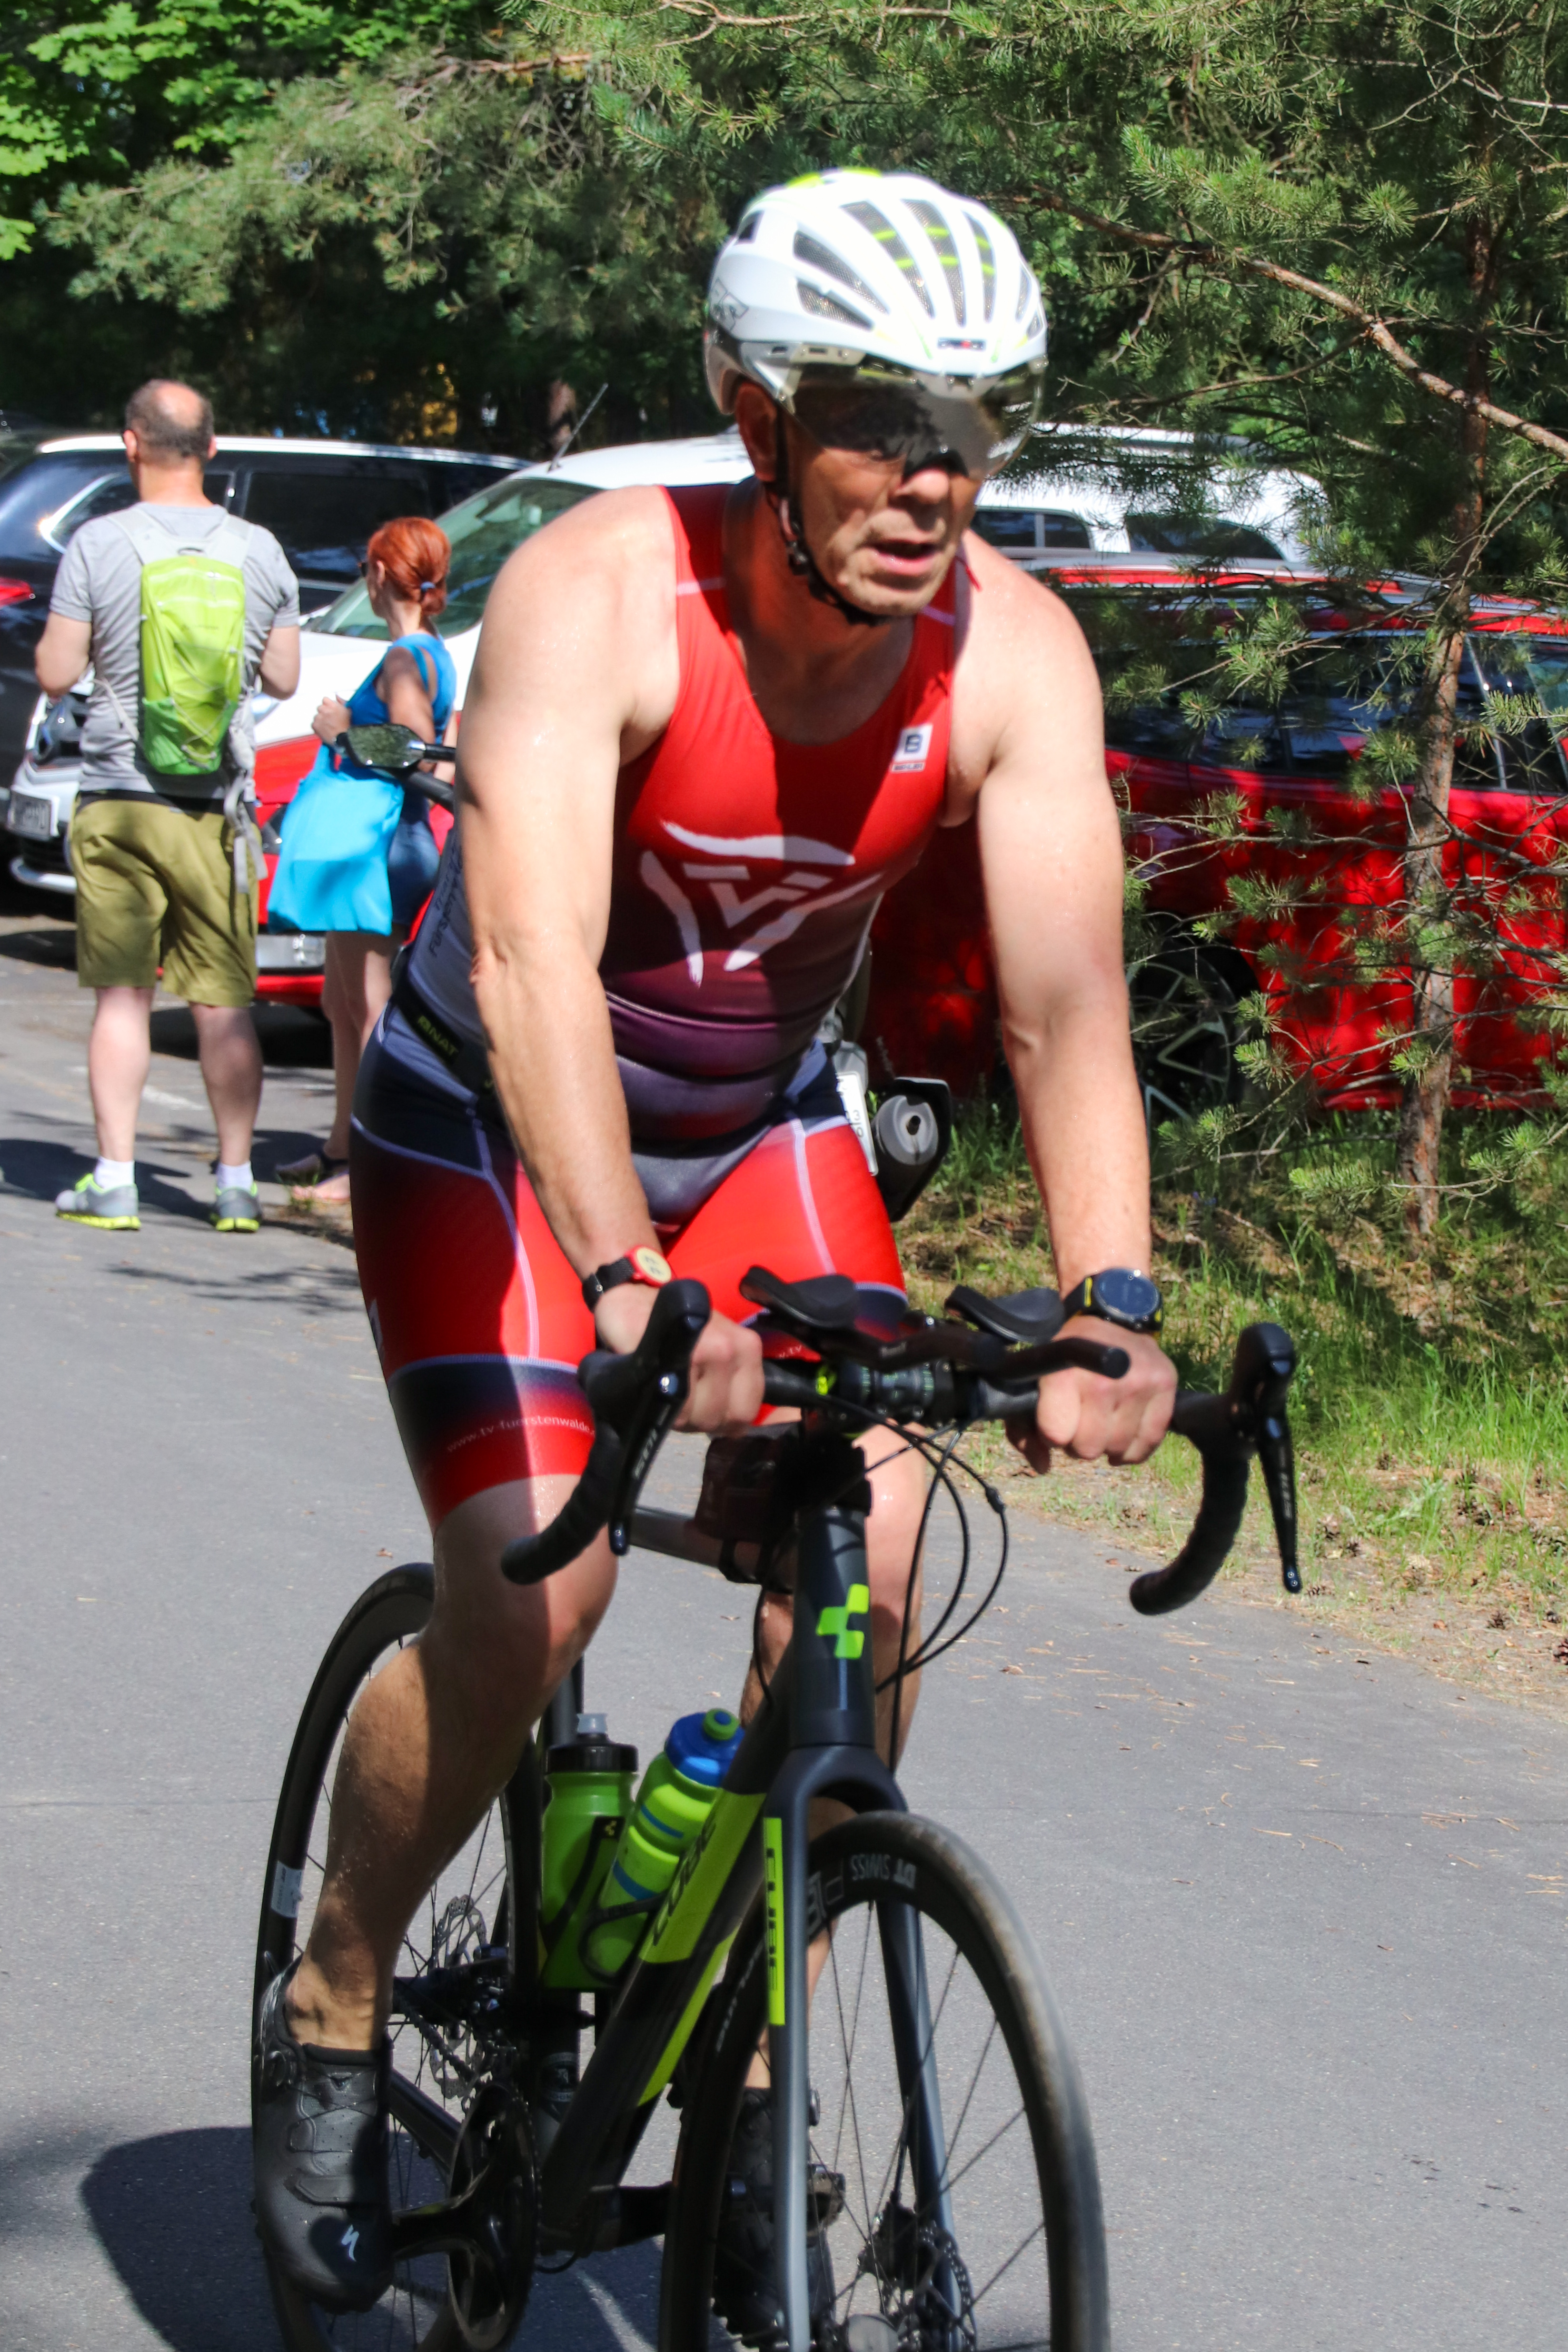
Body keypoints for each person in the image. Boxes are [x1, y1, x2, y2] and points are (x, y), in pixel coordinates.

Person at [253, 170, 1178, 2319]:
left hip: (754, 1129)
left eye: (974, 426)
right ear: (758, 420)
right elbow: (526, 959)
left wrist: (1113, 1303)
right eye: (880, 420)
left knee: (874, 1558)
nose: (934, 476)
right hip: (495, 1131)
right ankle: (335, 1995)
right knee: (535, 1591)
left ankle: (755, 2058)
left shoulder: (1013, 653)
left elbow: (1064, 1011)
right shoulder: (602, 590)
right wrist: (622, 1284)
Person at [37, 379, 301, 1234]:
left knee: (122, 998)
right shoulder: (260, 550)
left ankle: (115, 1181)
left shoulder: (98, 543)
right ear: (211, 449)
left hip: (119, 799)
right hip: (213, 811)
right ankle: (235, 1186)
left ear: (131, 444)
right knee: (223, 1002)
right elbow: (285, 678)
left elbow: (55, 672)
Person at [270, 518, 456, 1206]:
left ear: (379, 575)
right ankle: (342, 1147)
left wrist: (344, 731)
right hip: (382, 843)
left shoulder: (406, 657)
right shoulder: (429, 651)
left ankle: (372, 1164)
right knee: (341, 1002)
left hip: (378, 847)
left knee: (369, 1006)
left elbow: (419, 750)